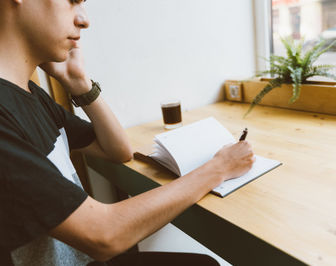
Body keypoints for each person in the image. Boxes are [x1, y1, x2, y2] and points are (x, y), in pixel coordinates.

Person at [0, 0, 255, 265]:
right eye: (73, 0)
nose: (84, 19)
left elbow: (117, 150)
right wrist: (219, 169)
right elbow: (104, 235)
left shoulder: (32, 95)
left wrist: (79, 83)